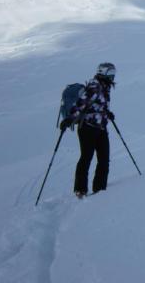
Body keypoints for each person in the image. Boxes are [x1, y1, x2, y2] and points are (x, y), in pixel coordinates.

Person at [60, 62, 116, 198]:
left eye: (113, 74)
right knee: (86, 158)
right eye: (110, 74)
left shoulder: (105, 87)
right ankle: (80, 190)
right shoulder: (94, 86)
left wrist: (107, 113)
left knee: (104, 159)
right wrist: (69, 118)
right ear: (103, 73)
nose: (113, 77)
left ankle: (100, 189)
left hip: (101, 128)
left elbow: (98, 105)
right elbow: (81, 104)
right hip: (87, 128)